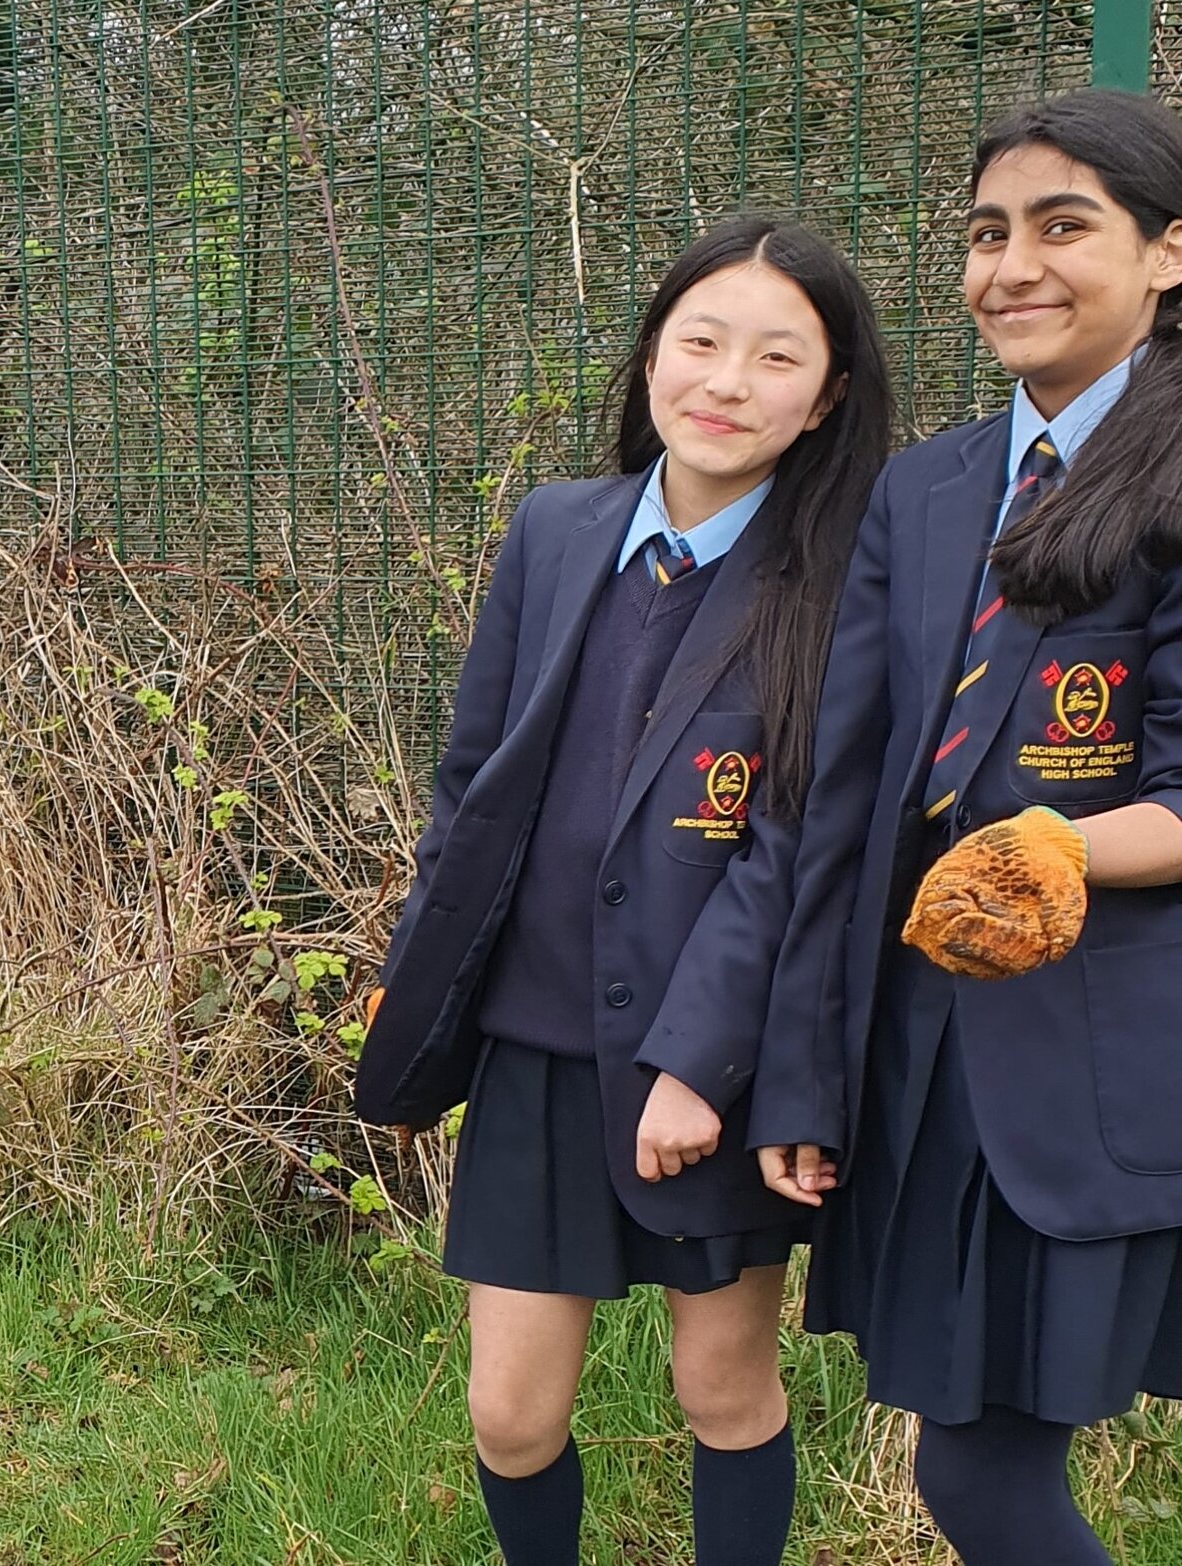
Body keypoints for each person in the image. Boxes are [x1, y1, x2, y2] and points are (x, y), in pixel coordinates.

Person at [355, 217, 889, 1564]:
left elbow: (795, 841)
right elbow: (473, 776)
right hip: (538, 1048)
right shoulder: (556, 528)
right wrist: (422, 986)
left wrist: (701, 1064)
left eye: (777, 356)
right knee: (510, 1414)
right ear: (653, 349)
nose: (726, 380)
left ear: (825, 397)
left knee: (722, 1385)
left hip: (716, 1064)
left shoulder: (837, 575)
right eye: (701, 340)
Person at [765, 88, 1182, 1563]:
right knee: (976, 1469)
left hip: (1101, 1065)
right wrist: (805, 1070)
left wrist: (1061, 846)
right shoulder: (925, 485)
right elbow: (850, 804)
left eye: (1065, 226)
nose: (1015, 265)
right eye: (988, 232)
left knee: (983, 1479)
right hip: (925, 1057)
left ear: (1170, 251)